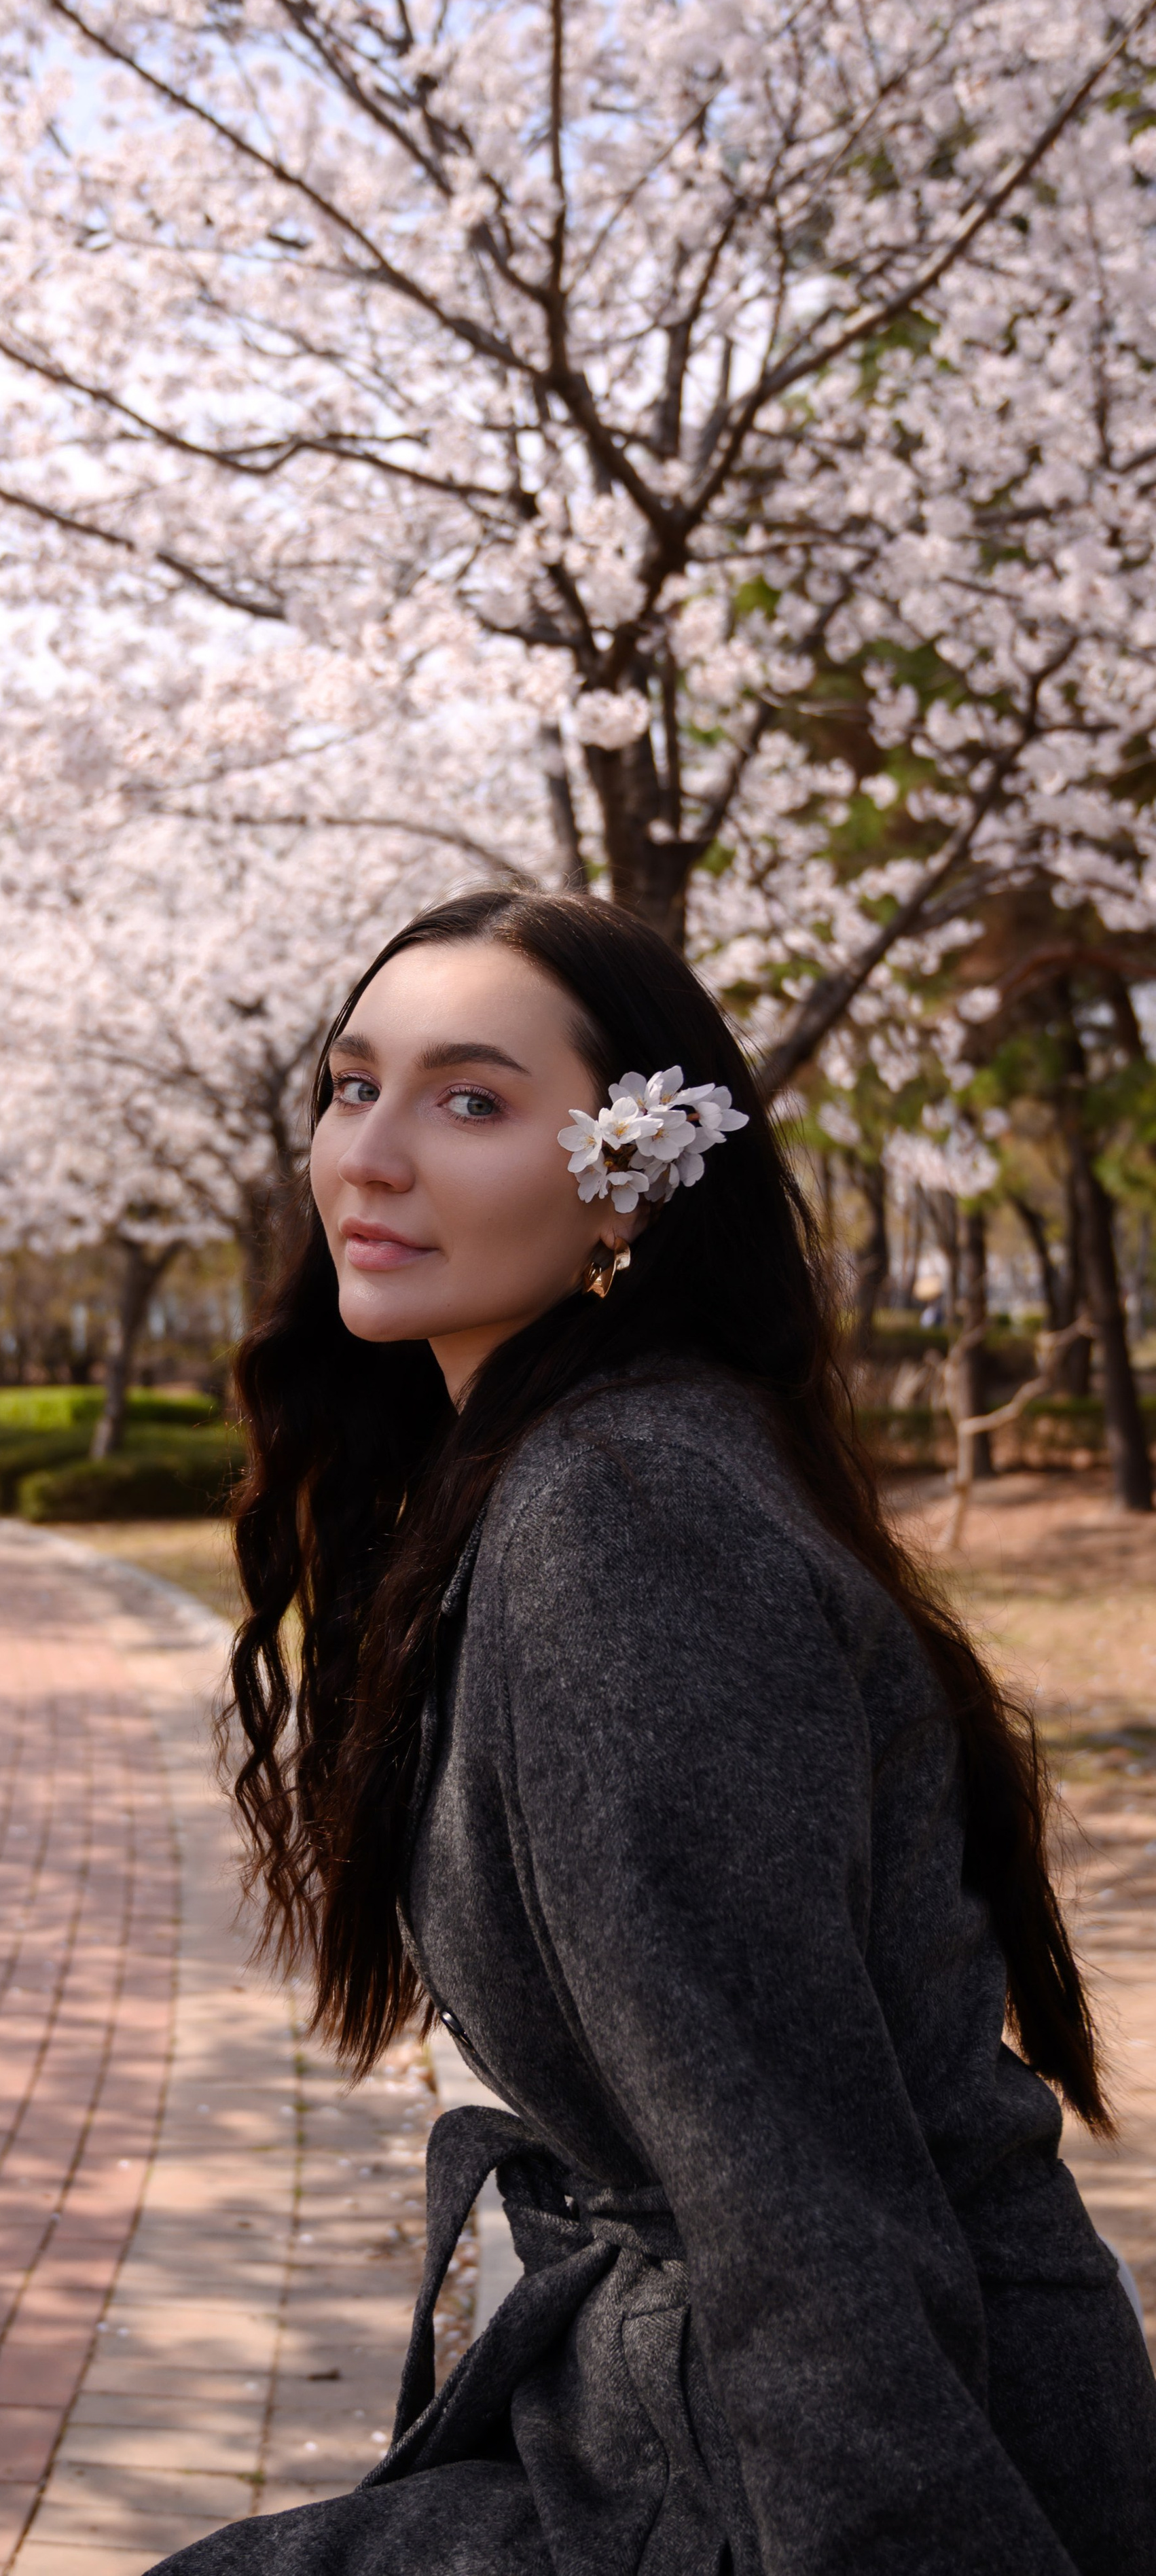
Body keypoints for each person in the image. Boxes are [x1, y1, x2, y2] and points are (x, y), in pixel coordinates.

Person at [153, 890, 1156, 2576]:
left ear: (625, 1173)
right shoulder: (557, 1473)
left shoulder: (622, 1517)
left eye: (468, 1099)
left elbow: (790, 2176)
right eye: (349, 1084)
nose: (367, 1156)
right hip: (678, 2419)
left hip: (837, 2452)